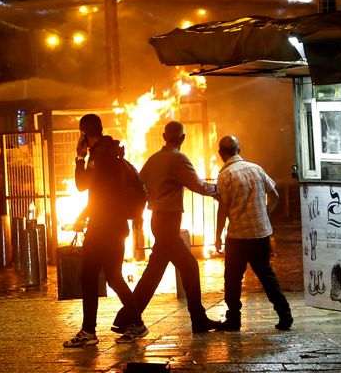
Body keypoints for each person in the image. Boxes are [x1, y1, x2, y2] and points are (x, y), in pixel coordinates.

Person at [113, 121, 221, 333]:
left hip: (157, 220)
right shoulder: (178, 159)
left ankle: (127, 317)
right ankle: (129, 317)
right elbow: (198, 185)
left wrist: (139, 213)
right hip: (169, 222)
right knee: (177, 269)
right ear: (182, 138)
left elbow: (139, 185)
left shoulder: (153, 159)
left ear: (164, 136)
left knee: (165, 271)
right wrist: (219, 189)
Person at [63, 114, 147, 347]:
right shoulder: (111, 152)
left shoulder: (99, 155)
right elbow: (102, 194)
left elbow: (83, 185)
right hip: (114, 225)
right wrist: (82, 216)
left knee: (91, 276)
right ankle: (134, 324)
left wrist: (79, 158)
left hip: (104, 228)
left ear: (83, 133)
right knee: (111, 276)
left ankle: (89, 331)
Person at [214, 135, 293, 331]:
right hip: (261, 234)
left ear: (221, 154)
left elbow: (223, 209)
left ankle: (234, 319)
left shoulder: (225, 175)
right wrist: (266, 213)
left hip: (238, 237)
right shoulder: (256, 168)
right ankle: (285, 314)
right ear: (239, 150)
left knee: (232, 279)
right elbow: (274, 195)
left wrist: (217, 237)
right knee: (267, 275)